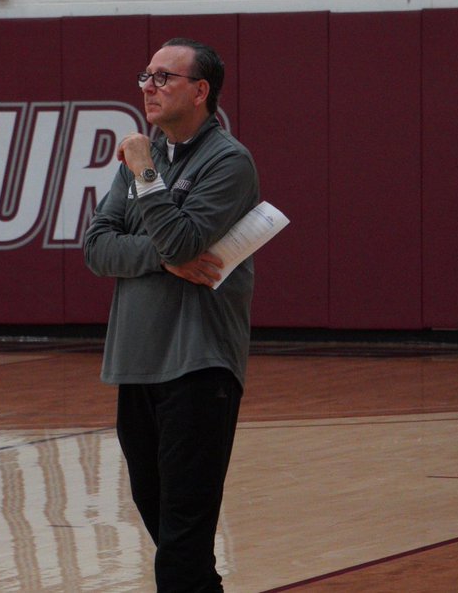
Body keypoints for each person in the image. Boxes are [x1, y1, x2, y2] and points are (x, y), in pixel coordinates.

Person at [83, 37, 259, 591]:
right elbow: (96, 246)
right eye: (146, 76)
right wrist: (163, 258)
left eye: (164, 77)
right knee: (170, 531)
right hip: (137, 362)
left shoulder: (229, 161)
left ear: (200, 91)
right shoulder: (147, 153)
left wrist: (144, 174)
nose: (149, 87)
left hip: (198, 365)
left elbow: (183, 240)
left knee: (182, 538)